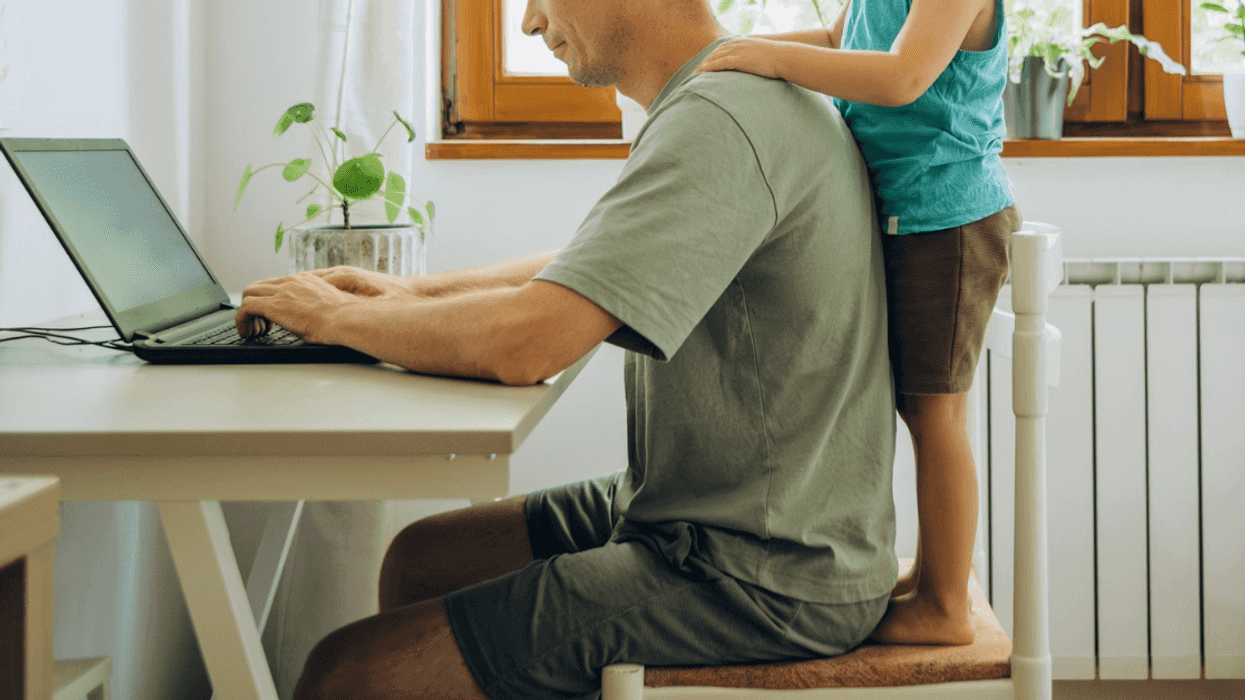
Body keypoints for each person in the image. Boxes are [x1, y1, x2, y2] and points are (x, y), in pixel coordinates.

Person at [235, 0, 897, 697]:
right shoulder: (728, 95)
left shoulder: (723, 116)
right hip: (709, 508)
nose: (527, 22)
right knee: (423, 559)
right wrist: (405, 293)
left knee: (346, 674)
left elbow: (528, 343)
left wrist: (338, 318)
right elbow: (593, 266)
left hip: (762, 569)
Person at [696, 0, 1020, 646]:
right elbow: (836, 36)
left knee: (937, 413)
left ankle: (946, 607)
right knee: (917, 409)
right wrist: (732, 50)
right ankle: (932, 577)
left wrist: (770, 58)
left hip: (945, 218)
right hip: (909, 212)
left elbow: (903, 76)